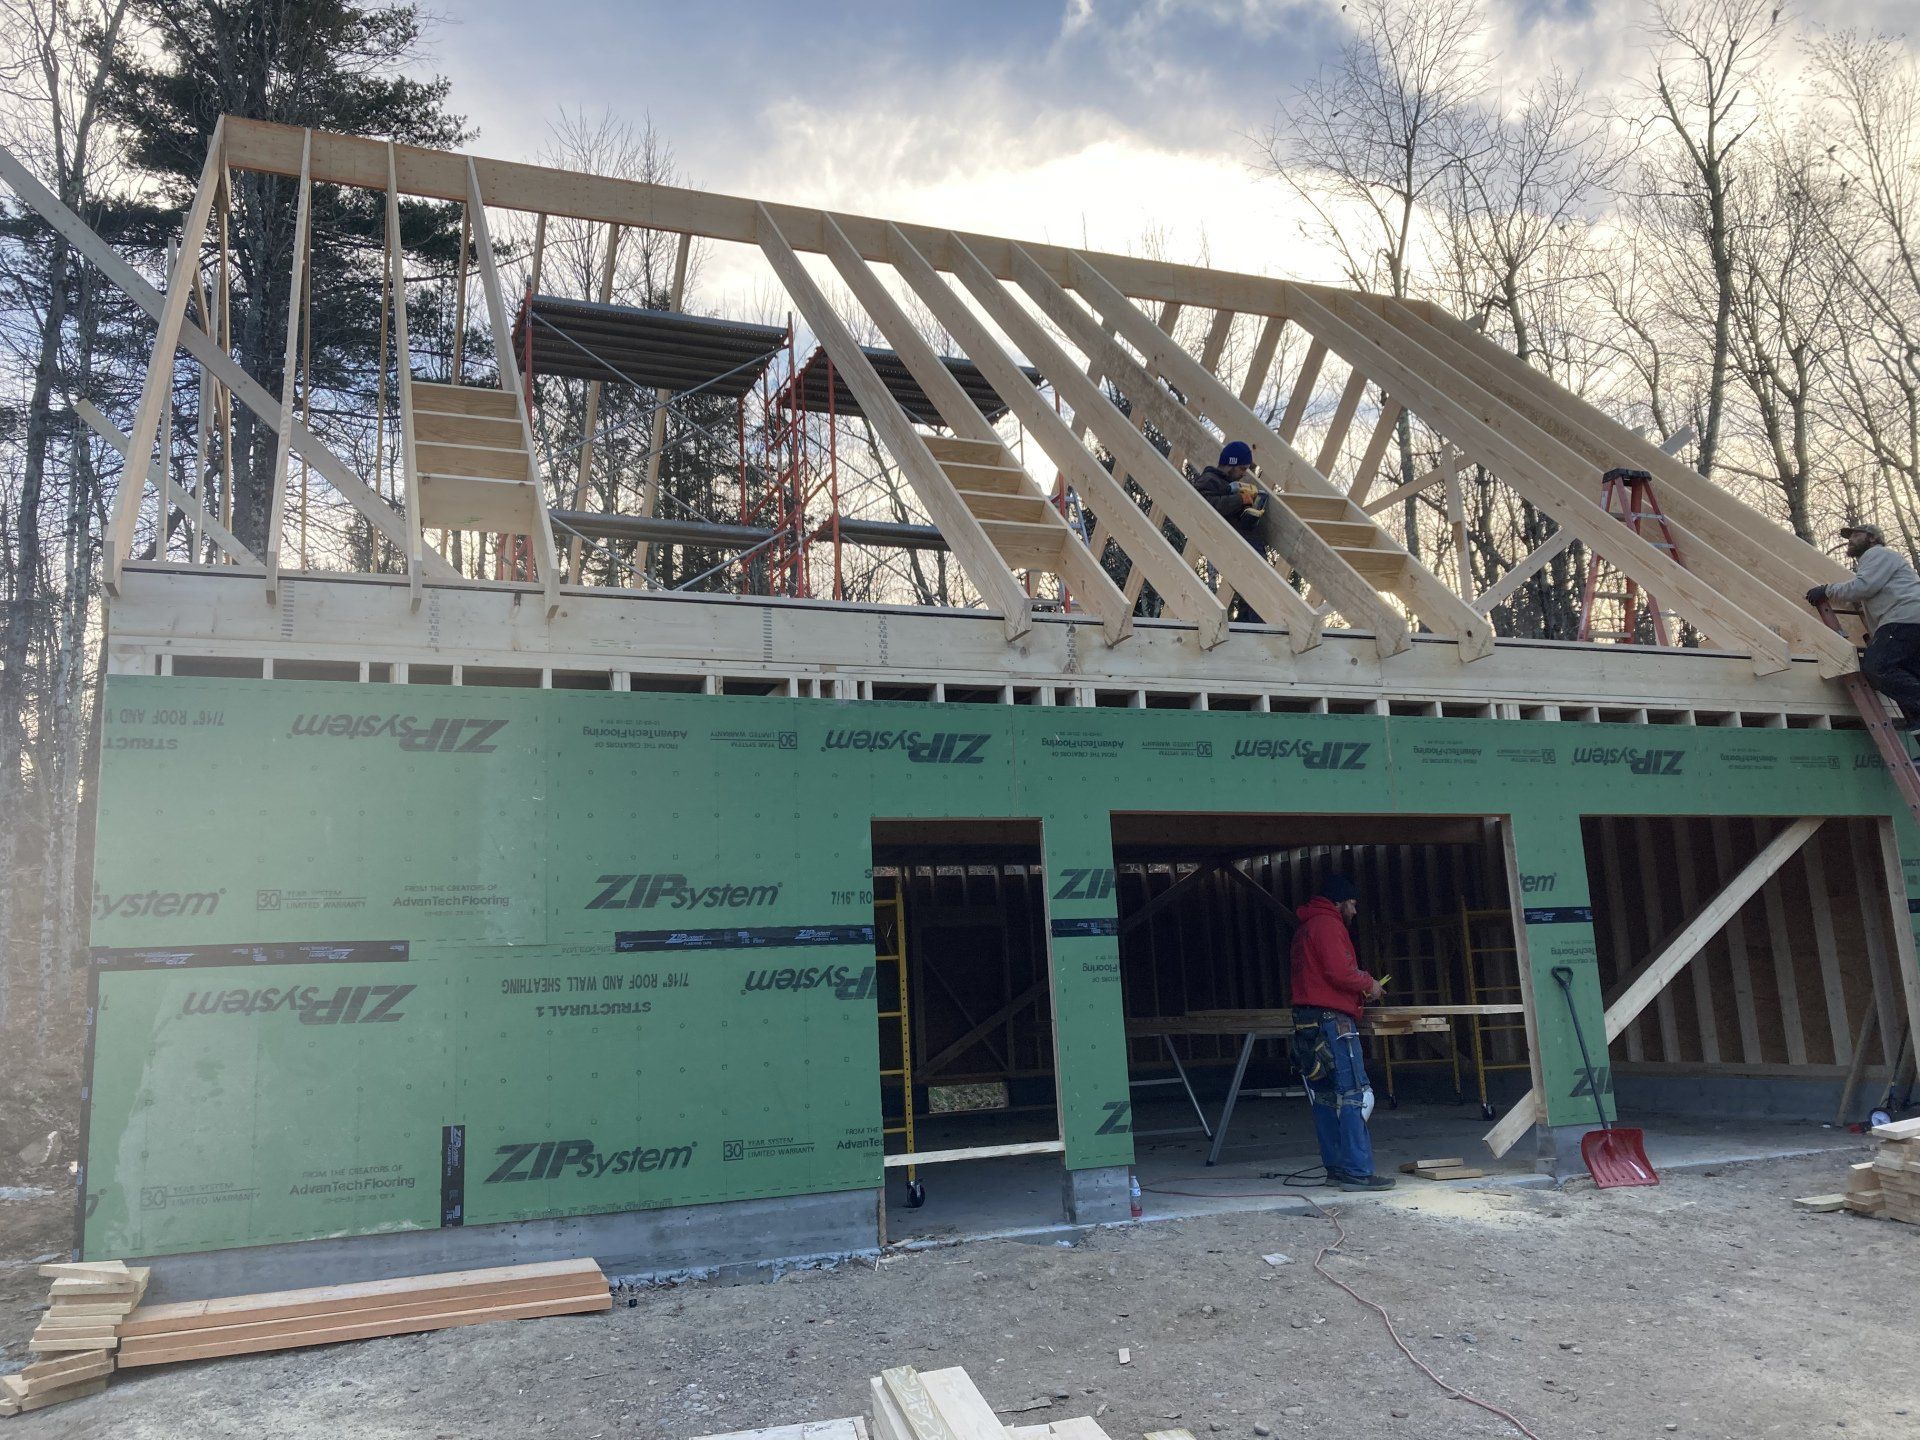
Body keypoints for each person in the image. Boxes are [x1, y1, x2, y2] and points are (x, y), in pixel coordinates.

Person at [1288, 875, 1394, 1191]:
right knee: (1355, 1094)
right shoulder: (1328, 925)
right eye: (1353, 904)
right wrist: (1369, 985)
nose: (1355, 911)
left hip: (1307, 1024)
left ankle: (1335, 1167)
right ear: (1340, 901)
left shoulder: (1307, 926)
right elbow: (1339, 972)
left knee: (1323, 1096)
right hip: (1333, 1023)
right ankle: (1358, 1171)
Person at [1806, 522, 1920, 732]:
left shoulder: (1877, 554)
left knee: (1877, 667)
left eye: (1856, 535)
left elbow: (1863, 588)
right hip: (1910, 621)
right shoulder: (1880, 563)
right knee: (1907, 678)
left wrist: (1828, 590)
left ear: (1872, 539)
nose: (1850, 540)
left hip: (1904, 619)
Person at [1190, 441, 1267, 623]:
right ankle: (1252, 624)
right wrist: (1239, 500)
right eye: (1241, 468)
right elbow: (1205, 506)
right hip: (1231, 543)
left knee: (1256, 587)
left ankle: (1250, 623)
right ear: (1230, 463)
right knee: (1255, 585)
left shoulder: (1231, 484)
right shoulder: (1209, 480)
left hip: (1245, 540)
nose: (1243, 473)